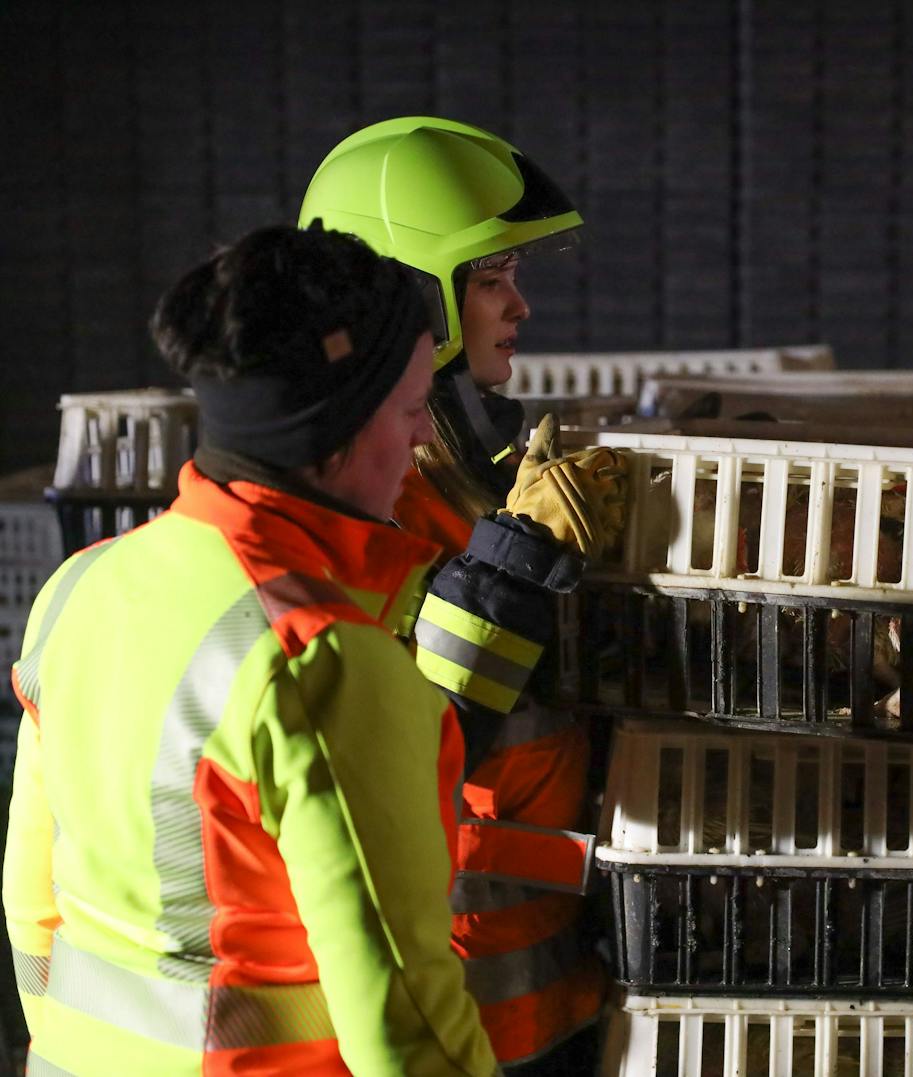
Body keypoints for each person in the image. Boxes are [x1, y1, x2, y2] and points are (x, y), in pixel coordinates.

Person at [2, 223, 611, 1073]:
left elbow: (32, 907)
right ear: (342, 432)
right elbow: (406, 1023)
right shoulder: (319, 658)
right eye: (407, 414)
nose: (417, 444)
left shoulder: (79, 589)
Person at [300, 116, 621, 1073]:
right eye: (491, 280)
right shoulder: (374, 512)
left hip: (550, 984)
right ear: (415, 300)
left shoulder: (477, 480)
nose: (518, 306)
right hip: (463, 1020)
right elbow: (401, 764)